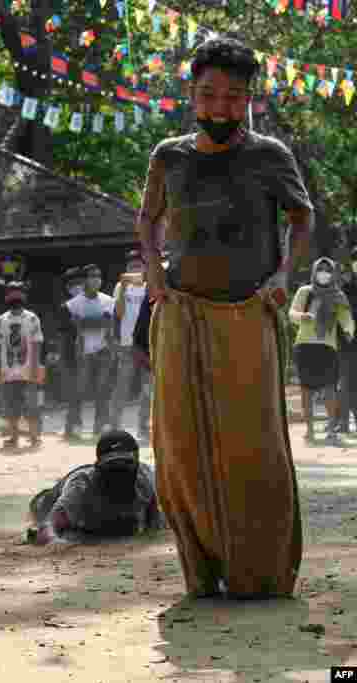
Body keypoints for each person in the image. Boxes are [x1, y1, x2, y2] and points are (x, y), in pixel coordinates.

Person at [139, 36, 313, 598]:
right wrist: (155, 273)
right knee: (182, 447)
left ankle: (258, 573)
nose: (221, 107)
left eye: (235, 97)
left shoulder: (271, 156)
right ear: (191, 95)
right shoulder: (168, 155)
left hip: (248, 317)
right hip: (182, 317)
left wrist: (283, 277)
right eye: (209, 94)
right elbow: (148, 220)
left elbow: (301, 218)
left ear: (250, 100)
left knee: (255, 446)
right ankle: (202, 570)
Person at [30, 430, 164, 544]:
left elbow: (154, 525)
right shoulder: (80, 487)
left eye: (125, 464)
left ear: (137, 464)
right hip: (53, 498)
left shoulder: (145, 481)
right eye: (112, 466)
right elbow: (51, 528)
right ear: (98, 465)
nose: (119, 473)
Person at [289, 258, 353, 445]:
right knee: (306, 390)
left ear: (333, 273)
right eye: (320, 269)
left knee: (329, 390)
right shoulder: (305, 292)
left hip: (327, 347)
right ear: (314, 271)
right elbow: (292, 313)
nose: (323, 273)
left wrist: (349, 331)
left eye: (327, 270)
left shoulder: (338, 296)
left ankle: (332, 430)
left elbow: (346, 318)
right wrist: (303, 316)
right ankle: (309, 431)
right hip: (305, 345)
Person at [0, 281, 44, 450]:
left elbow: (36, 343)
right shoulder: (1, 320)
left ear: (24, 296)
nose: (15, 296)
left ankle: (35, 437)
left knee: (32, 405)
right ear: (7, 296)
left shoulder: (32, 318)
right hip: (8, 370)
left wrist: (35, 367)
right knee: (10, 405)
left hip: (28, 369)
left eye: (19, 292)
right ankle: (14, 437)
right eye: (12, 292)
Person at [65, 264, 115, 438]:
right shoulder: (73, 303)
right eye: (92, 276)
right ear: (84, 280)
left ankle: (100, 424)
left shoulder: (108, 300)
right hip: (83, 352)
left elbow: (106, 324)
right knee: (80, 390)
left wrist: (86, 322)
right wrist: (96, 321)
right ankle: (74, 425)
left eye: (98, 276)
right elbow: (81, 325)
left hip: (103, 350)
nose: (96, 279)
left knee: (102, 389)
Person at [110, 250, 151, 443]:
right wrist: (124, 288)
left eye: (138, 265)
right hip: (127, 343)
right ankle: (115, 427)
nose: (135, 269)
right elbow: (118, 313)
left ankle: (143, 427)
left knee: (148, 388)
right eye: (131, 266)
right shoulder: (121, 286)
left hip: (147, 343)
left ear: (144, 267)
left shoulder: (151, 284)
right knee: (121, 385)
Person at [58, 267, 84, 439]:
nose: (77, 288)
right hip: (72, 353)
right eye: (72, 285)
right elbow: (62, 334)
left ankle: (102, 424)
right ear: (68, 288)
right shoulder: (64, 307)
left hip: (95, 352)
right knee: (74, 392)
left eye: (79, 284)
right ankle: (73, 425)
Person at [334, 249, 357, 435]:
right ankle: (342, 422)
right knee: (346, 382)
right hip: (346, 340)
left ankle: (344, 422)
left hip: (347, 340)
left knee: (348, 382)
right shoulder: (344, 286)